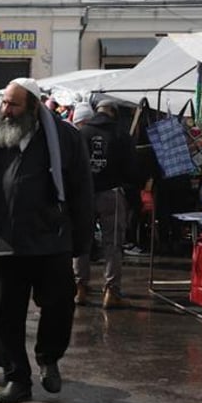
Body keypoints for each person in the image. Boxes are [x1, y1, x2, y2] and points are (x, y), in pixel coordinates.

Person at [0, 78, 94, 403]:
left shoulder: (66, 138)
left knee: (59, 305)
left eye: (13, 105)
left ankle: (48, 357)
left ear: (34, 108)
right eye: (4, 103)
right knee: (7, 315)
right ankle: (16, 379)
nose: (5, 111)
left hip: (50, 240)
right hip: (4, 241)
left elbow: (81, 190)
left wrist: (81, 241)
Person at [72, 100, 134, 309]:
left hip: (85, 194)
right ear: (114, 113)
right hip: (111, 193)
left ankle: (79, 288)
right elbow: (131, 166)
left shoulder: (82, 133)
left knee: (82, 242)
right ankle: (111, 291)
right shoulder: (120, 133)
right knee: (113, 244)